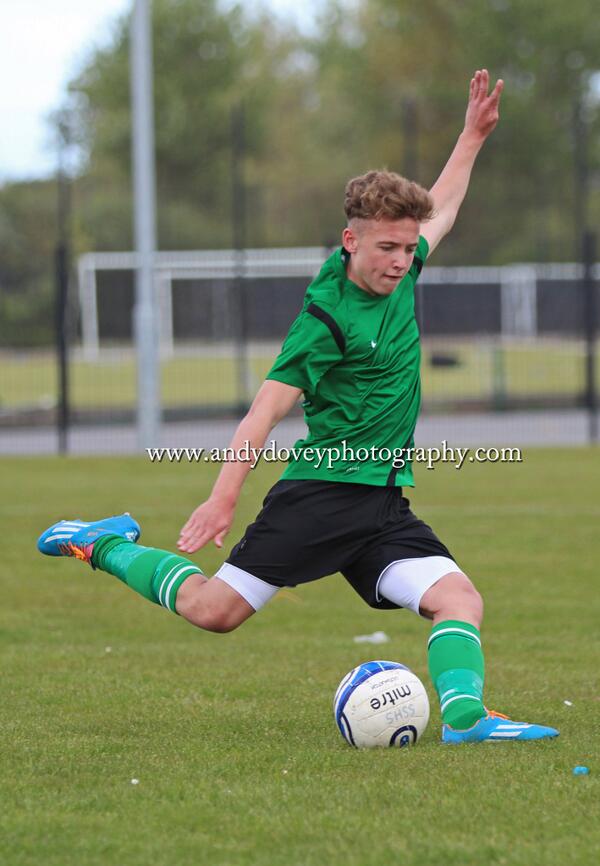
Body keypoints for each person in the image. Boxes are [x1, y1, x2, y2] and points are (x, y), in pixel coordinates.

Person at [38, 70, 558, 744]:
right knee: (212, 610)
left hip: (381, 504)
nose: (402, 262)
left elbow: (444, 208)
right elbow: (261, 415)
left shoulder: (401, 269)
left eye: (408, 248)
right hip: (320, 496)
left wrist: (471, 136)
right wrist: (223, 499)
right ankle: (98, 541)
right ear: (351, 242)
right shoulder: (325, 319)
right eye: (387, 249)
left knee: (459, 598)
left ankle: (465, 719)